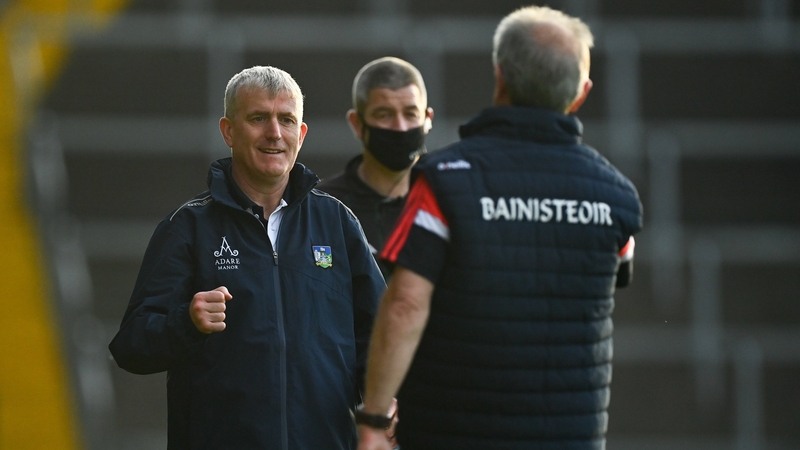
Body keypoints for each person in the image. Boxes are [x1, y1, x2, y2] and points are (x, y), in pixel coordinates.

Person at [355, 6, 643, 450]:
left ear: (500, 76)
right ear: (581, 93)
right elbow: (615, 271)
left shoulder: (445, 178)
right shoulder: (616, 196)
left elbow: (406, 304)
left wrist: (373, 419)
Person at [108, 66, 386, 450]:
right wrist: (186, 322)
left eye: (286, 120)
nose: (274, 133)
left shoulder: (337, 223)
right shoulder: (187, 227)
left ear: (300, 135)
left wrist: (383, 404)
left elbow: (380, 337)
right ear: (228, 131)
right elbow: (130, 346)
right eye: (258, 118)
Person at [317, 57, 434, 280]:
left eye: (410, 114)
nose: (400, 127)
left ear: (428, 119)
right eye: (385, 115)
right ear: (357, 124)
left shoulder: (451, 199)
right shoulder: (324, 207)